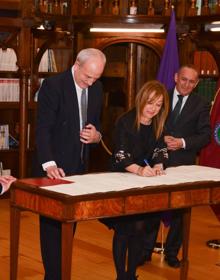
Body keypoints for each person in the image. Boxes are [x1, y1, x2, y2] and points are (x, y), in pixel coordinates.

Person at [32, 48, 106, 280]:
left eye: (96, 78)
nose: (91, 82)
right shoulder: (53, 86)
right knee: (52, 228)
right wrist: (49, 163)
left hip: (79, 168)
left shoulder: (97, 88)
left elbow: (94, 127)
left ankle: (59, 274)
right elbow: (42, 129)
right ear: (77, 64)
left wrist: (97, 136)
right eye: (87, 76)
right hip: (52, 168)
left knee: (68, 227)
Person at [140, 64, 211, 268]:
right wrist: (163, 139)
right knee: (152, 208)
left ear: (196, 83)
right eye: (184, 79)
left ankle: (172, 253)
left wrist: (182, 142)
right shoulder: (161, 96)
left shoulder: (201, 104)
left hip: (183, 165)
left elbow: (205, 135)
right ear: (175, 77)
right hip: (155, 160)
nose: (187, 84)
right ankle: (145, 251)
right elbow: (148, 123)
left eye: (192, 81)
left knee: (181, 213)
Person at [102, 80, 170, 280]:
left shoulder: (158, 123)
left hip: (143, 181)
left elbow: (160, 149)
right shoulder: (125, 121)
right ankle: (121, 275)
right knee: (124, 230)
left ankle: (131, 274)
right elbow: (120, 154)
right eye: (150, 103)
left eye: (158, 105)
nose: (153, 109)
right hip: (122, 178)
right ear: (141, 99)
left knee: (140, 228)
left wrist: (158, 165)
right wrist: (139, 170)